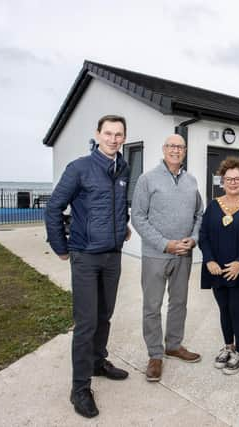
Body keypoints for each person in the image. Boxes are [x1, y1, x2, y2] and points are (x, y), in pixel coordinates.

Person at [45, 114, 131, 418]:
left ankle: (98, 362)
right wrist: (60, 247)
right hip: (84, 255)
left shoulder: (123, 168)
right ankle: (79, 388)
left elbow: (119, 206)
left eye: (119, 134)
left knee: (105, 315)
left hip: (113, 255)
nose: (113, 139)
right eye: (108, 133)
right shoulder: (79, 168)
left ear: (123, 137)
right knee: (86, 323)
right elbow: (54, 207)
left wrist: (122, 228)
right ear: (98, 134)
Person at [131, 134, 203, 382]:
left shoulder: (192, 181)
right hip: (156, 255)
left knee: (179, 302)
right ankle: (155, 355)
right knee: (152, 306)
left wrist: (193, 239)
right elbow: (138, 217)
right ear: (163, 149)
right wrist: (165, 245)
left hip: (184, 254)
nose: (176, 150)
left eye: (180, 147)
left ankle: (174, 344)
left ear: (184, 151)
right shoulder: (147, 179)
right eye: (171, 146)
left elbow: (199, 215)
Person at [199, 157, 239, 375]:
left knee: (236, 309)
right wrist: (209, 260)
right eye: (228, 179)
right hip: (216, 269)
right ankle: (228, 346)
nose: (233, 182)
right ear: (222, 181)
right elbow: (203, 235)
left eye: (237, 178)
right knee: (223, 309)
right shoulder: (214, 206)